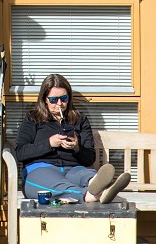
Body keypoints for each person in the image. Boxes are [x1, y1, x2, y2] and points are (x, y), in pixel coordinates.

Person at [14, 73, 131, 204]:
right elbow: (20, 152)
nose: (60, 104)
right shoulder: (33, 118)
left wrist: (77, 147)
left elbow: (90, 158)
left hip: (74, 168)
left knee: (86, 175)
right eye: (53, 100)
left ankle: (96, 184)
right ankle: (92, 194)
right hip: (41, 169)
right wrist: (49, 143)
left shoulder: (79, 119)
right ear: (45, 99)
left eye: (64, 98)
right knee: (56, 184)